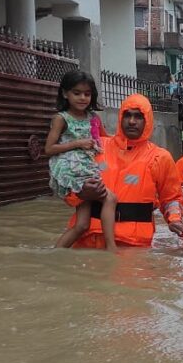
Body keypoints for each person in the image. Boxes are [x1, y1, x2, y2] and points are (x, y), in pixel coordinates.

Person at [65, 93, 183, 248]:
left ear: (148, 121)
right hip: (86, 239)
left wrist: (174, 219)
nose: (131, 121)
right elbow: (66, 184)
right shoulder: (96, 147)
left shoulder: (160, 158)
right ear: (120, 118)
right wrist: (79, 193)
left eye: (138, 117)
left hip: (132, 244)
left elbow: (171, 198)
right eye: (127, 115)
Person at [44, 70, 119, 251]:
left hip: (87, 168)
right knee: (110, 198)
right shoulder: (61, 118)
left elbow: (106, 138)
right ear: (65, 93)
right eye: (76, 93)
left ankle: (54, 254)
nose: (82, 98)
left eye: (87, 94)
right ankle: (111, 248)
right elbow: (48, 149)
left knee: (82, 225)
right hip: (70, 169)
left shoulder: (93, 118)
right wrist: (77, 143)